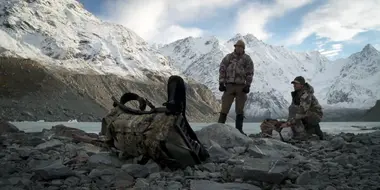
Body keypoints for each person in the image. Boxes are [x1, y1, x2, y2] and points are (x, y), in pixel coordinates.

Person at [217, 39, 254, 135]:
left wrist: (247, 85)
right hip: (228, 86)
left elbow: (250, 72)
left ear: (243, 48)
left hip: (241, 87)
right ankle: (219, 128)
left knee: (240, 109)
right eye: (237, 46)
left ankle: (239, 131)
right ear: (235, 47)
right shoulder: (228, 57)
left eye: (240, 47)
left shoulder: (247, 59)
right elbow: (222, 69)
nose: (238, 48)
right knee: (224, 108)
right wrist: (221, 83)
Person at [280, 76, 324, 140]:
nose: (294, 85)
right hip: (307, 115)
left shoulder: (306, 95)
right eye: (293, 84)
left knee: (297, 114)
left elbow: (302, 112)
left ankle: (302, 134)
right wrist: (288, 122)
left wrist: (288, 123)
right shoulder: (296, 95)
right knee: (292, 109)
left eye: (296, 83)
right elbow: (292, 112)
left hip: (315, 116)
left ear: (302, 85)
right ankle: (309, 130)